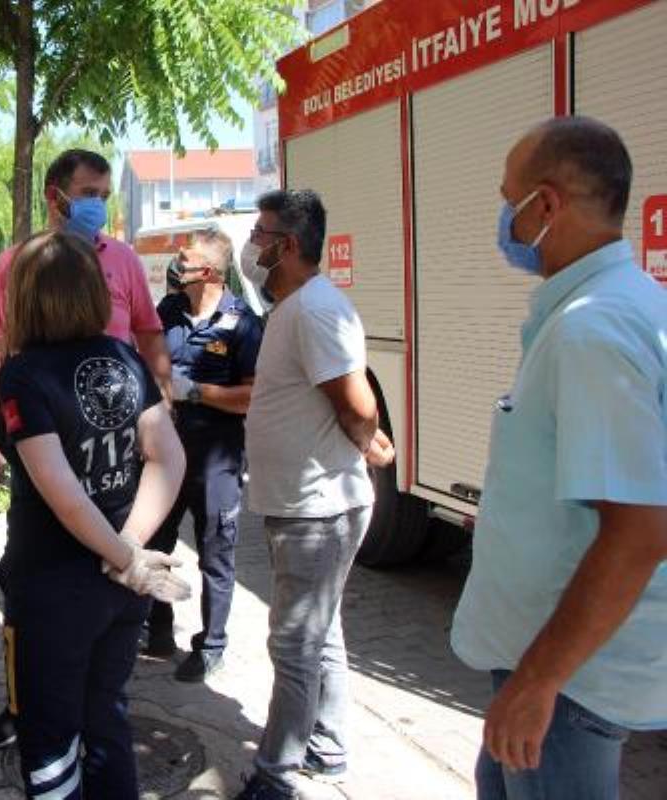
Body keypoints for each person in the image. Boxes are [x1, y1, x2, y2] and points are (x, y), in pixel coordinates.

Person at [450, 116, 667, 800]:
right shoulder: (620, 305)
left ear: (544, 205)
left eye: (507, 200)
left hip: (569, 685)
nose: (503, 221)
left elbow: (639, 532)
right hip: (548, 670)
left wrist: (539, 680)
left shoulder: (590, 331)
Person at [0, 149, 171, 750]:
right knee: (32, 584)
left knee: (102, 609)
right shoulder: (18, 264)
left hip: (115, 459)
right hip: (42, 443)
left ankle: (85, 706)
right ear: (55, 196)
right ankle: (24, 703)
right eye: (88, 193)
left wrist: (159, 406)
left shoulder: (123, 261)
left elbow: (150, 337)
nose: (98, 205)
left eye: (105, 194)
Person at [0, 231, 188, 798]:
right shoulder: (124, 357)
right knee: (106, 719)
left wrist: (124, 554)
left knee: (49, 738)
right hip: (120, 586)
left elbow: (64, 494)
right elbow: (168, 458)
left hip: (55, 587)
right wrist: (129, 551)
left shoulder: (24, 375)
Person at [235, 189, 395, 800]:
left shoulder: (315, 310)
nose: (252, 246)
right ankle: (327, 748)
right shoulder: (294, 307)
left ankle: (276, 776)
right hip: (300, 504)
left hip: (318, 509)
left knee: (295, 643)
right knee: (320, 635)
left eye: (260, 234)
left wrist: (369, 441)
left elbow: (357, 403)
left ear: (288, 244)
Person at [145, 228, 264, 682]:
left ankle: (211, 645)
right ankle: (158, 631)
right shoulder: (169, 310)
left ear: (210, 271)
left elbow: (252, 396)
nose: (178, 263)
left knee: (215, 553)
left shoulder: (244, 323)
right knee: (155, 543)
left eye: (186, 258)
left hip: (216, 458)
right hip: (165, 454)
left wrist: (195, 391)